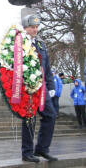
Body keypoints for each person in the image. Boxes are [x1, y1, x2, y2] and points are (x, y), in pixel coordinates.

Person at [20, 9, 58, 163]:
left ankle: (42, 148)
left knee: (51, 115)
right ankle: (27, 152)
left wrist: (51, 86)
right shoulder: (19, 43)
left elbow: (47, 68)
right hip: (27, 88)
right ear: (25, 28)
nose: (35, 29)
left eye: (36, 27)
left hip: (42, 88)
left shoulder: (41, 44)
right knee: (29, 119)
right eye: (32, 27)